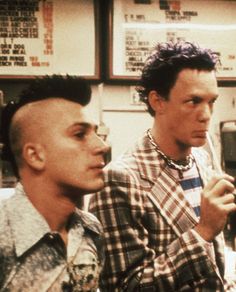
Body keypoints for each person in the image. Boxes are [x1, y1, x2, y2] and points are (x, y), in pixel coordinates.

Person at [89, 42, 236, 291]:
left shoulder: (202, 159)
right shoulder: (120, 179)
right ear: (158, 101)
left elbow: (215, 267)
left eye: (211, 102)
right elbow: (123, 287)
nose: (206, 115)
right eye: (193, 101)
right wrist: (202, 232)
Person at [0, 75, 109, 291]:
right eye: (79, 134)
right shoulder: (4, 236)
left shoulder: (91, 229)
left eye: (96, 133)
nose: (102, 146)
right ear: (35, 155)